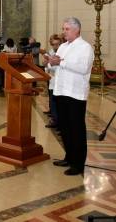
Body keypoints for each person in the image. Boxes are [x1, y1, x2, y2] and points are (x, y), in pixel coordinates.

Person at [45, 17, 94, 176]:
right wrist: (50, 63)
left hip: (75, 94)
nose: (64, 31)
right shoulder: (63, 47)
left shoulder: (85, 47)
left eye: (66, 29)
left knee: (76, 129)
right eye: (63, 28)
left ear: (76, 30)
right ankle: (69, 157)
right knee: (64, 128)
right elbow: (54, 66)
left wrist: (61, 63)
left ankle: (78, 163)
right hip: (60, 91)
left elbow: (83, 68)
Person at [44, 34, 63, 129]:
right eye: (53, 44)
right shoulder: (51, 52)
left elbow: (60, 68)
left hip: (60, 82)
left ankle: (60, 124)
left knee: (59, 105)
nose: (55, 47)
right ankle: (55, 121)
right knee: (53, 103)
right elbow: (47, 67)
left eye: (57, 44)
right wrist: (47, 65)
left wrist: (50, 64)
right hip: (52, 80)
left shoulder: (63, 52)